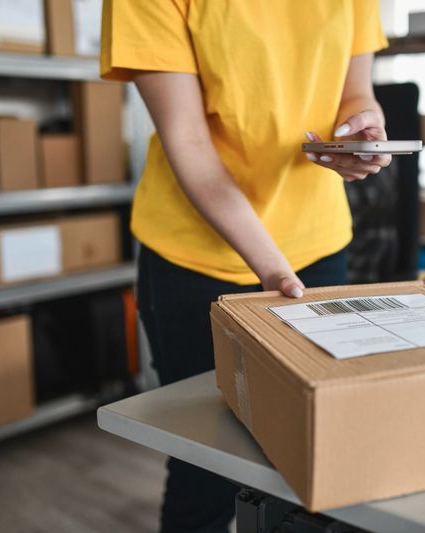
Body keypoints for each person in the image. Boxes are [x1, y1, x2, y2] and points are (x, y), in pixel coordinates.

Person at [100, 1, 390, 531]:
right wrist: (275, 272)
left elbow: (356, 89)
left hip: (318, 246)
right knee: (210, 465)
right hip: (198, 259)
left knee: (308, 451)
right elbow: (186, 139)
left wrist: (360, 126)